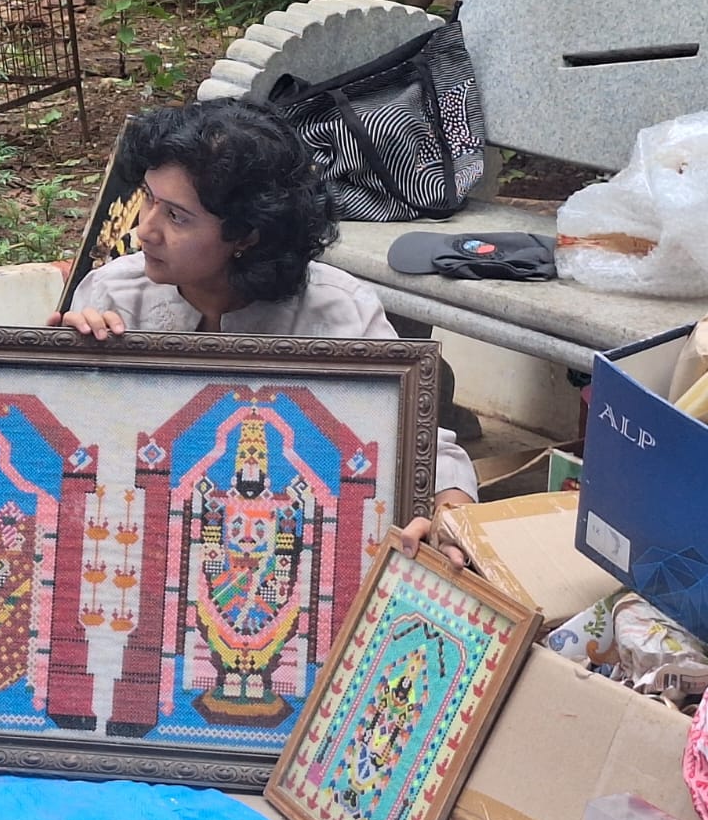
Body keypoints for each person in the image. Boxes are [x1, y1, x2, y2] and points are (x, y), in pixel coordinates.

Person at [50, 100, 477, 562]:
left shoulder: (338, 312)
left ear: (248, 236)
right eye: (148, 199)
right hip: (144, 556)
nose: (143, 231)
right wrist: (64, 371)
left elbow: (423, 453)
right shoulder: (112, 293)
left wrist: (452, 517)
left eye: (176, 216)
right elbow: (73, 457)